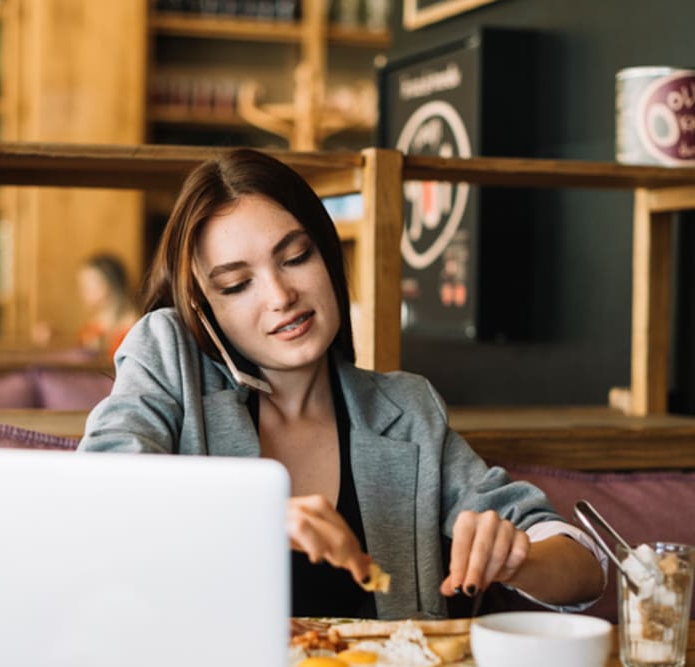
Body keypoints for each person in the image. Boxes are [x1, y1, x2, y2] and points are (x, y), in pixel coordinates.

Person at [78, 148, 606, 620]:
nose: (280, 295)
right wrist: (253, 516)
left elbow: (583, 569)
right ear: (204, 306)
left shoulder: (406, 408)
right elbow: (101, 493)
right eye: (238, 284)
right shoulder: (172, 357)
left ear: (329, 256)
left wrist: (517, 557)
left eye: (296, 257)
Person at [75, 253, 139, 360]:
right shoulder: (92, 329)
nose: (82, 292)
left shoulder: (134, 328)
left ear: (106, 286)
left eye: (87, 286)